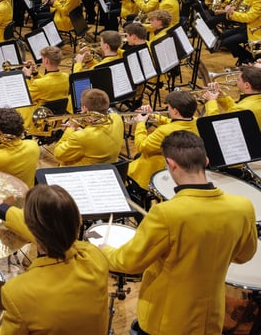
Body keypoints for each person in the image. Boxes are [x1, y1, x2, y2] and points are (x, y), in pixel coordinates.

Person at [103, 131, 257, 335]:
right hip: (211, 318)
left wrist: (103, 251)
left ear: (171, 164)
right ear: (206, 161)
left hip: (167, 320)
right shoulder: (242, 207)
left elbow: (130, 262)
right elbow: (244, 255)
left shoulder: (166, 214)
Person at [0, 185, 109, 335]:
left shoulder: (18, 293)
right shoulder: (96, 257)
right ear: (77, 221)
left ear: (34, 234)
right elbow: (49, 226)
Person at [126, 90, 199, 193]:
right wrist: (153, 115)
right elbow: (174, 122)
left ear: (175, 111)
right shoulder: (195, 122)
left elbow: (141, 146)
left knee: (135, 161)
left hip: (157, 169)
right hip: (182, 166)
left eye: (168, 107)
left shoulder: (164, 132)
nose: (167, 110)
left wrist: (140, 124)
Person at [54, 88, 124, 166]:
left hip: (84, 173)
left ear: (85, 109)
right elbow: (96, 136)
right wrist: (78, 127)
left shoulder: (81, 137)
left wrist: (71, 129)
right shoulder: (117, 118)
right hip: (109, 167)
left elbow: (58, 154)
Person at [17, 46, 69, 130]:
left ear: (46, 60)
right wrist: (35, 73)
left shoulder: (39, 84)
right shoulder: (66, 77)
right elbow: (48, 82)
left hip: (39, 118)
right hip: (56, 117)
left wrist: (27, 77)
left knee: (17, 107)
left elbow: (26, 97)